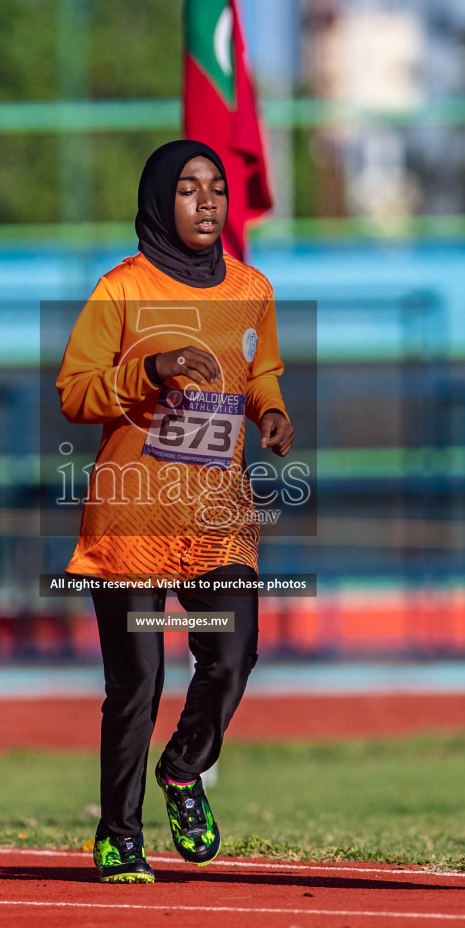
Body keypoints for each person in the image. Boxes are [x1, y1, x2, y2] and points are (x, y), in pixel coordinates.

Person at [57, 139, 294, 883]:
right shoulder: (121, 290)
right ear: (161, 200)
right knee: (139, 683)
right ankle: (118, 836)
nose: (207, 201)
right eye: (189, 188)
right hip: (132, 521)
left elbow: (262, 372)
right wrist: (149, 370)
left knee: (231, 655)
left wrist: (273, 411)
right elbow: (74, 391)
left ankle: (185, 770)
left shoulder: (252, 288)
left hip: (218, 516)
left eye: (216, 188)